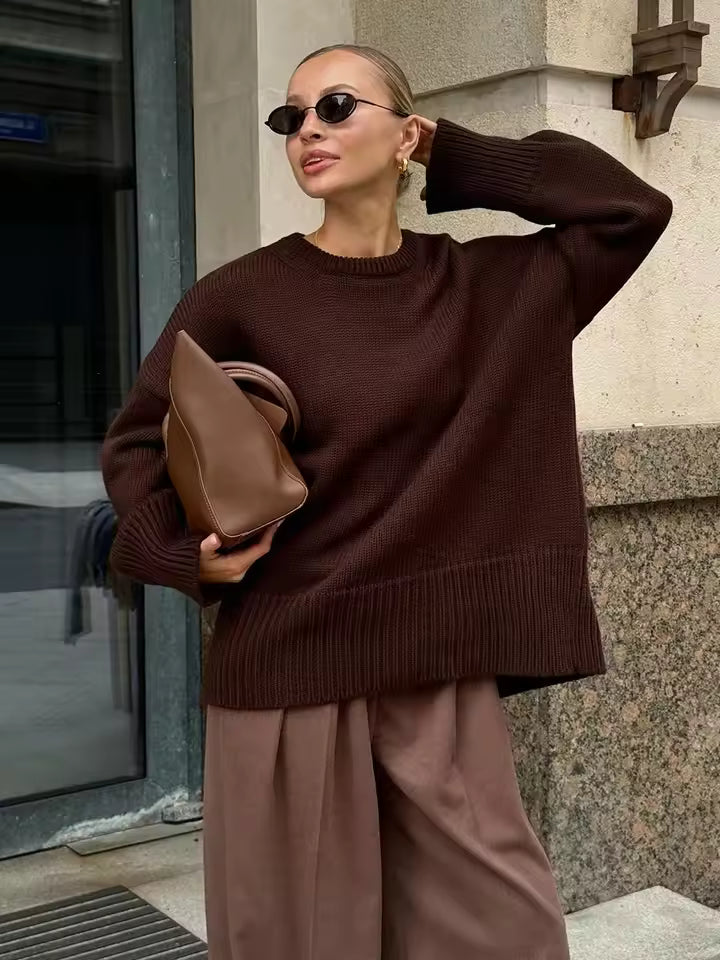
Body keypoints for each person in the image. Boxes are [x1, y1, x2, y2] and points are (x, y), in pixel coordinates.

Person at [102, 43, 672, 960]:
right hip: (288, 666)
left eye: (334, 106)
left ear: (405, 134)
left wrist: (452, 149)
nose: (307, 131)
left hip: (439, 669)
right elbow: (137, 441)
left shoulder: (493, 288)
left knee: (504, 935)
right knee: (299, 943)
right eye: (290, 117)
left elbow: (629, 208)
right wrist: (184, 553)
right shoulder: (242, 296)